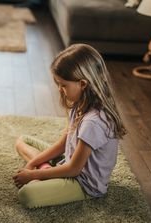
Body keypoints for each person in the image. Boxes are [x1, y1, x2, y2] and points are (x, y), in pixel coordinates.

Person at [12, 44, 127, 208]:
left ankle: (45, 173)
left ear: (83, 84)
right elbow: (63, 143)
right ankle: (46, 169)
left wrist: (33, 175)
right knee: (22, 141)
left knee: (26, 195)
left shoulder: (93, 122)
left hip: (82, 183)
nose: (59, 89)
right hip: (69, 160)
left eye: (63, 85)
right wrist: (32, 166)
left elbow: (74, 169)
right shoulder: (80, 104)